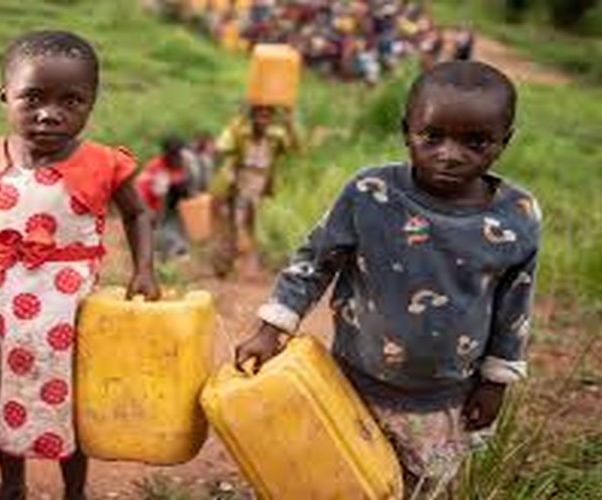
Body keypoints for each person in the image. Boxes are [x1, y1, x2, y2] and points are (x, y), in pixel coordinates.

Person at [236, 61, 540, 497]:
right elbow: (315, 260)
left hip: (444, 398)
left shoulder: (516, 217)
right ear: (406, 130)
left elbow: (515, 307)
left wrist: (496, 383)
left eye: (476, 142)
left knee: (418, 487)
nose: (450, 154)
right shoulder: (370, 193)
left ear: (503, 142)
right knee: (339, 475)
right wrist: (272, 329)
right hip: (351, 380)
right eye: (432, 136)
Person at [0, 30, 160, 500]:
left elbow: (137, 213)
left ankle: (76, 493)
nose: (51, 113)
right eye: (33, 98)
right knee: (0, 390)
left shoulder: (101, 163)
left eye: (71, 101)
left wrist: (144, 268)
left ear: (91, 103)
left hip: (63, 310)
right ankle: (13, 485)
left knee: (66, 398)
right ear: (4, 95)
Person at [212, 104, 300, 277]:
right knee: (234, 223)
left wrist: (289, 123)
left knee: (252, 225)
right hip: (238, 182)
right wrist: (238, 120)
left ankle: (248, 264)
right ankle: (226, 263)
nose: (263, 120)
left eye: (267, 117)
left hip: (260, 184)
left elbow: (295, 149)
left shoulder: (276, 136)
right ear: (252, 118)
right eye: (259, 116)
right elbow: (221, 147)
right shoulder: (240, 133)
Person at [136, 136, 192, 259]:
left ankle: (176, 245)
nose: (178, 159)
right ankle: (164, 247)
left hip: (173, 206)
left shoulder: (184, 163)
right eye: (175, 156)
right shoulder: (157, 169)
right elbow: (142, 193)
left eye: (179, 156)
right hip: (154, 208)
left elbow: (185, 186)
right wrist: (148, 212)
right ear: (167, 155)